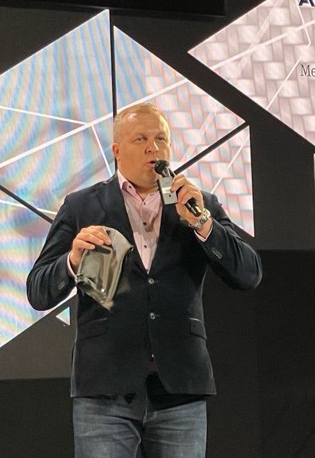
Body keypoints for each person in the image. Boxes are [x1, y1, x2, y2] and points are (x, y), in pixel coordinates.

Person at [26, 102, 262, 458]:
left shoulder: (197, 203)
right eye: (141, 139)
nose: (154, 148)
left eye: (161, 139)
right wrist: (72, 260)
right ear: (117, 150)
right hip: (105, 389)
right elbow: (38, 290)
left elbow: (249, 274)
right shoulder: (81, 206)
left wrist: (202, 223)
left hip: (180, 389)